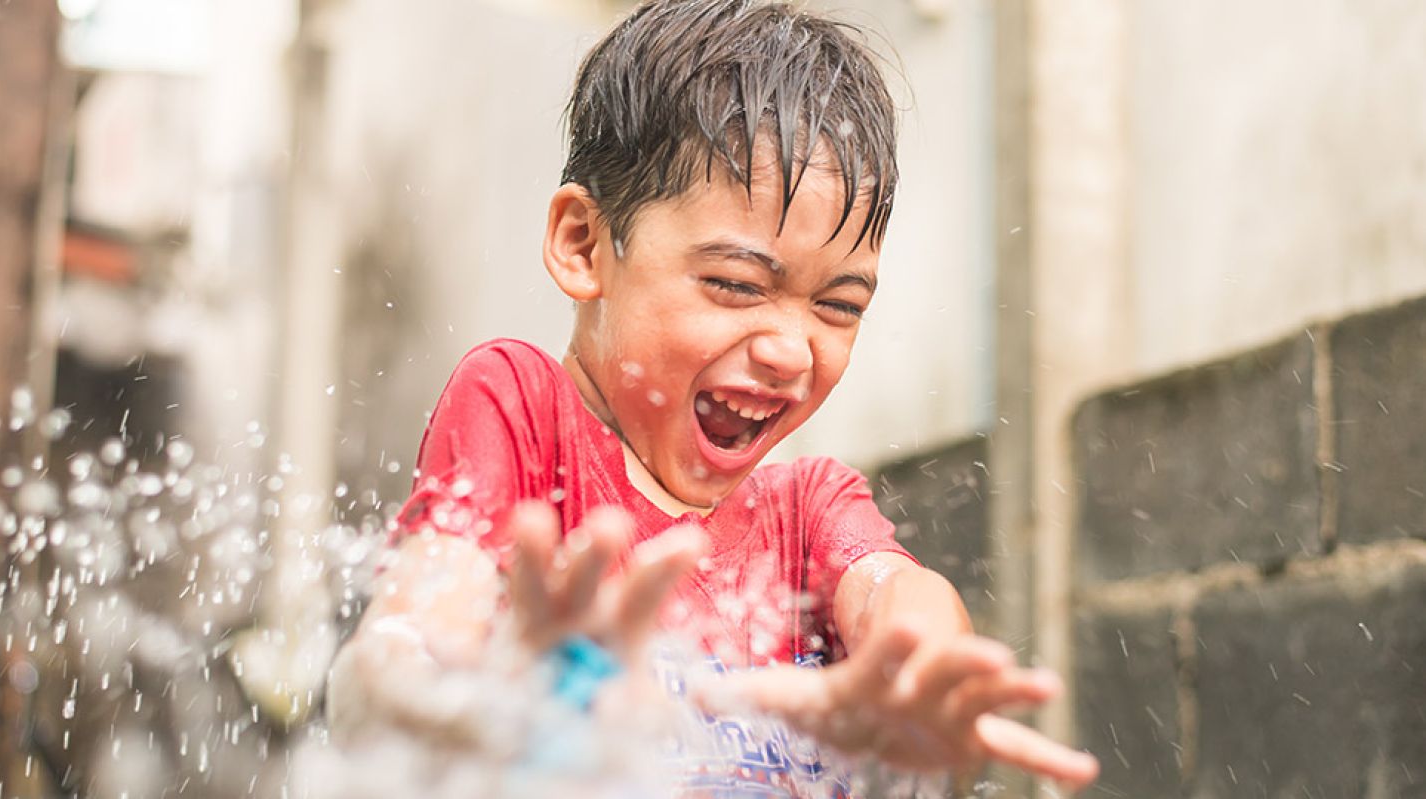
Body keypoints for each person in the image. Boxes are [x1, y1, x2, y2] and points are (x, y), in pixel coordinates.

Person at [328, 0, 1100, 795]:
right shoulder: (523, 412)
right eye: (735, 284)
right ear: (583, 244)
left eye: (837, 304)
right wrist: (465, 701)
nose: (788, 349)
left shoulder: (805, 511)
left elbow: (896, 595)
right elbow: (400, 651)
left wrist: (914, 690)